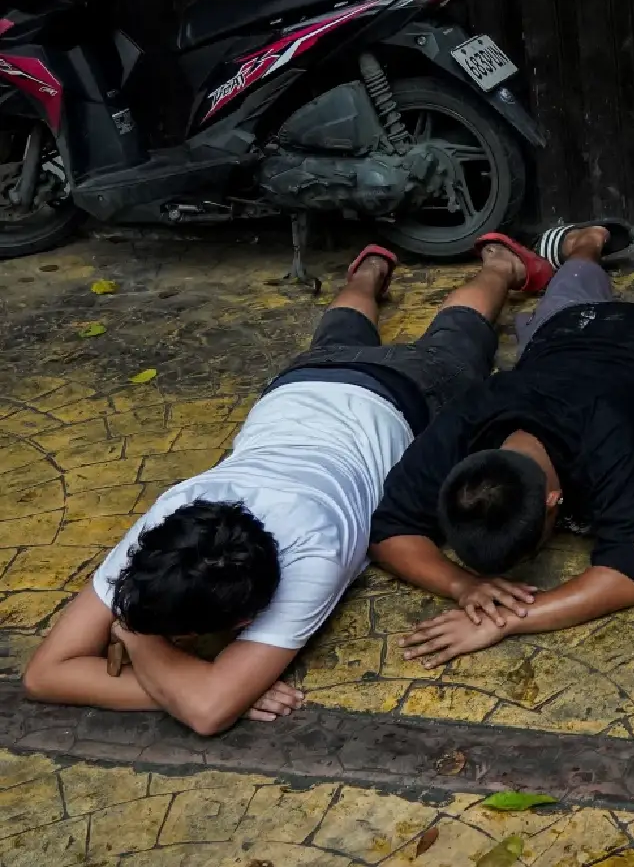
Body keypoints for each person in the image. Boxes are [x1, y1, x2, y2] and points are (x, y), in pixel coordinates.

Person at [22, 235, 546, 733]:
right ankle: (372, 270)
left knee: (459, 339)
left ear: (249, 615)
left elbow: (206, 710)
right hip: (303, 385)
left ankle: (497, 266)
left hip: (409, 394)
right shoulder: (175, 521)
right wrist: (192, 682)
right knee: (342, 336)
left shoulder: (312, 554)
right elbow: (44, 677)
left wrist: (136, 640)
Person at [372, 194, 634, 667]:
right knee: (570, 285)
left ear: (555, 504)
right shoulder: (467, 422)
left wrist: (508, 619)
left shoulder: (612, 436)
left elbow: (627, 575)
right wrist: (463, 585)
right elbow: (389, 527)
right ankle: (588, 241)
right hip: (565, 329)